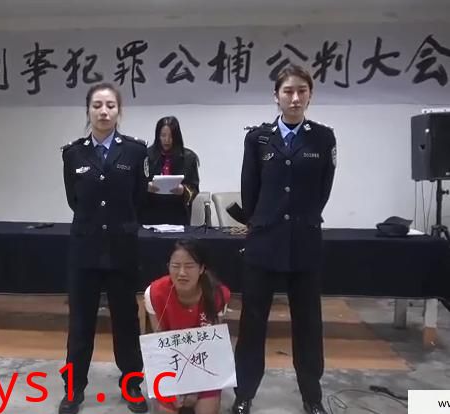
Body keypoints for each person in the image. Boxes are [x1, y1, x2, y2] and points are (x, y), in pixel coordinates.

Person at [232, 64, 336, 414]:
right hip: (265, 242)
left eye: (301, 91)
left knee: (308, 323)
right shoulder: (258, 138)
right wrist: (262, 222)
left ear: (310, 95)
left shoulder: (322, 138)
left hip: (304, 242)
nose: (295, 98)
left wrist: (301, 220)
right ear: (276, 96)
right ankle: (245, 393)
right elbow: (250, 190)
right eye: (288, 91)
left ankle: (312, 396)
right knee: (252, 322)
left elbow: (323, 190)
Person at [60, 82, 149, 414]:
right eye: (97, 105)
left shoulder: (136, 151)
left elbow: (138, 199)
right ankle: (73, 389)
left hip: (122, 249)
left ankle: (132, 384)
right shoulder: (73, 153)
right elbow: (74, 200)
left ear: (119, 111)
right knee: (80, 322)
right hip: (85, 249)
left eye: (110, 105)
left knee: (126, 321)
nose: (103, 111)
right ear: (88, 110)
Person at [144, 239, 231, 414]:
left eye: (189, 266)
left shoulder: (218, 295)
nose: (182, 273)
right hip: (170, 365)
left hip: (203, 363)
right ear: (168, 267)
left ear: (202, 268)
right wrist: (174, 387)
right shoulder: (154, 293)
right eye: (175, 266)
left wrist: (195, 387)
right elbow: (159, 349)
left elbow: (212, 348)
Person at [142, 116, 200, 226]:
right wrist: (146, 187)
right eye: (163, 135)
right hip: (150, 213)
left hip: (178, 214)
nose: (167, 140)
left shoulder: (188, 158)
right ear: (158, 136)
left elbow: (194, 189)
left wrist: (183, 190)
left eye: (171, 136)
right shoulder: (145, 156)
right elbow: (134, 185)